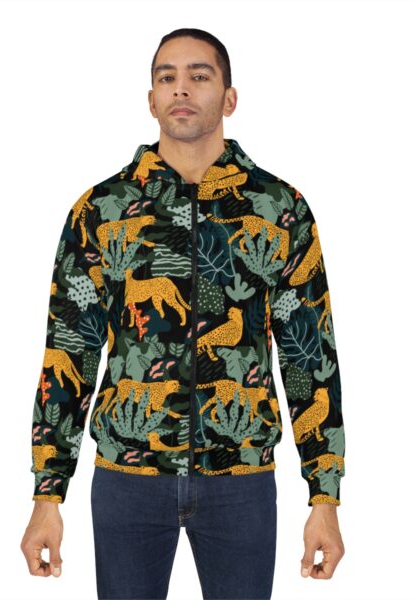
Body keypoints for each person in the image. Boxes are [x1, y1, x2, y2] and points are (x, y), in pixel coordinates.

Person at [21, 27, 346, 600]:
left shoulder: (280, 209)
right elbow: (69, 348)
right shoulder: (102, 210)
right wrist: (47, 494)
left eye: (200, 75)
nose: (181, 88)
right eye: (166, 77)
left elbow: (309, 354)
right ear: (151, 100)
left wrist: (325, 497)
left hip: (241, 478)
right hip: (127, 478)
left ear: (229, 98)